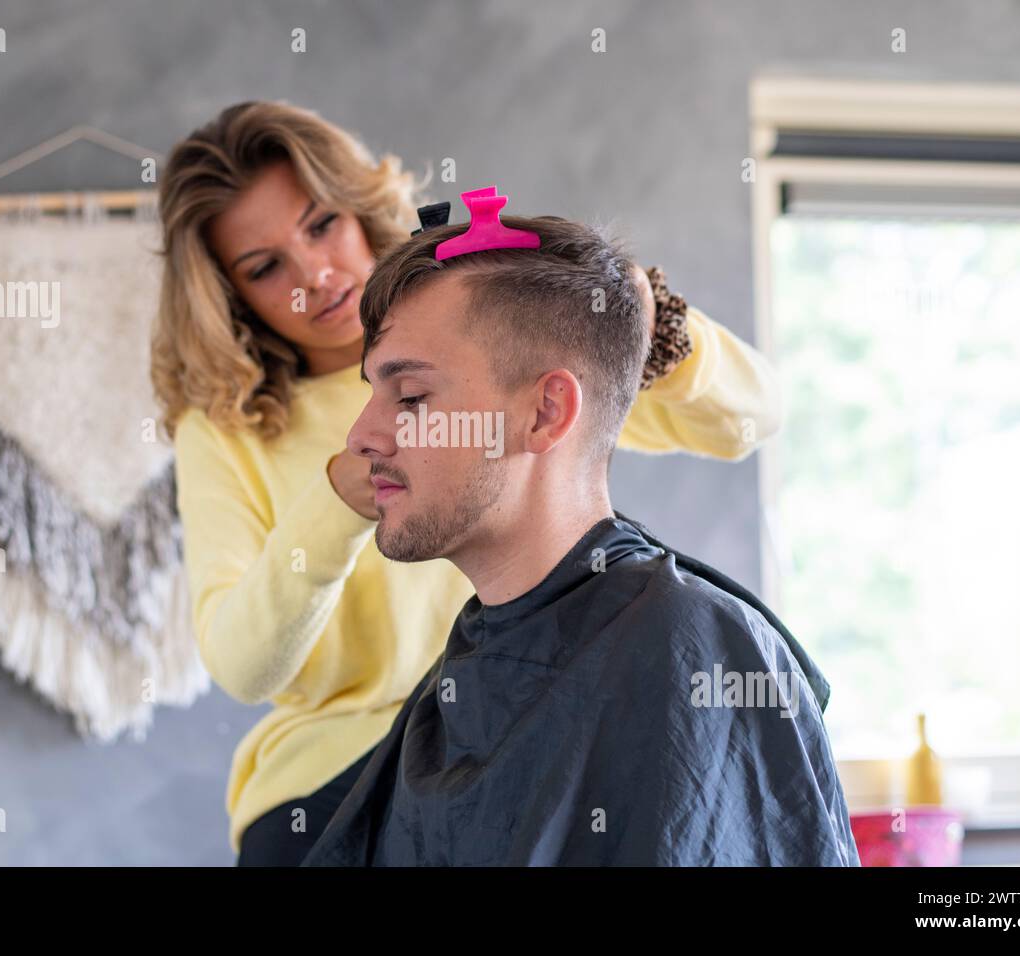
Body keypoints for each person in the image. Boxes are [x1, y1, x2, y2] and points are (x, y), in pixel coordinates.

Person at [151, 100, 784, 865]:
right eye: (264, 267)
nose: (313, 277)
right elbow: (242, 665)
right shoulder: (225, 430)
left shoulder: (484, 329)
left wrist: (646, 321)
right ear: (228, 296)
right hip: (330, 789)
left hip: (510, 733)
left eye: (321, 225)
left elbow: (752, 418)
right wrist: (339, 503)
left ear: (549, 408)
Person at [299, 209, 858, 866]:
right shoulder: (463, 671)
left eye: (412, 396)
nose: (361, 436)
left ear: (545, 412)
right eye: (374, 392)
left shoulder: (689, 651)